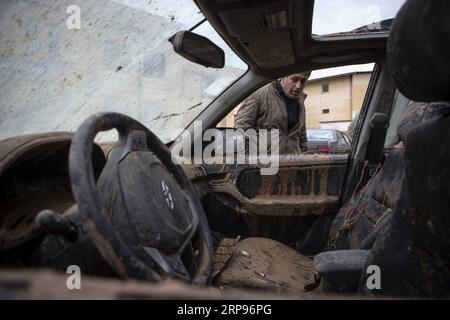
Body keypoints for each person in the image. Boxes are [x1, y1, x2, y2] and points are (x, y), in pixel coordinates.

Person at [234, 72, 310, 154]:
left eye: (303, 81)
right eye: (294, 79)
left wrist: (303, 158)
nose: (298, 86)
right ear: (283, 76)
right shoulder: (259, 94)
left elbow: (302, 136)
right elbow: (240, 130)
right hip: (263, 164)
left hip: (291, 164)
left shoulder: (300, 102)